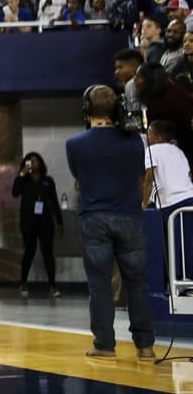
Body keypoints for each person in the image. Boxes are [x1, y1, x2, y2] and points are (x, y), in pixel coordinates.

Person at [64, 86, 155, 360]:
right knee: (137, 284)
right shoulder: (134, 142)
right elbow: (140, 176)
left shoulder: (75, 144)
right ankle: (146, 347)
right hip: (129, 216)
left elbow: (79, 179)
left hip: (95, 218)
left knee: (100, 284)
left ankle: (104, 345)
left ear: (86, 109)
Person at [11, 152, 63, 298]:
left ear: (40, 163)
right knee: (29, 251)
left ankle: (52, 286)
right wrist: (21, 174)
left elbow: (54, 201)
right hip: (28, 221)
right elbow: (14, 192)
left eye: (34, 161)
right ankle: (23, 283)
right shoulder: (24, 180)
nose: (32, 164)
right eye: (29, 162)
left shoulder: (48, 181)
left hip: (45, 221)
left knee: (47, 253)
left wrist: (59, 222)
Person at [143, 119, 193, 217]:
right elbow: (188, 174)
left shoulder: (152, 150)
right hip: (190, 198)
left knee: (171, 231)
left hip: (171, 203)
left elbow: (149, 179)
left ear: (159, 137)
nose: (147, 137)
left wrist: (144, 203)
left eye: (149, 133)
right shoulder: (178, 151)